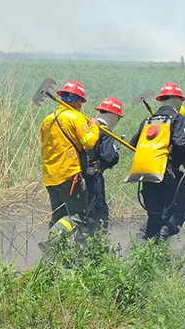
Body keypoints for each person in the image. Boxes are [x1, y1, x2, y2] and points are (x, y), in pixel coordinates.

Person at [128, 82, 185, 242]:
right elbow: (181, 144)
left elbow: (133, 144)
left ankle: (141, 248)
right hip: (168, 174)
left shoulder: (148, 120)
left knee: (155, 215)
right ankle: (161, 239)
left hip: (146, 176)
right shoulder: (178, 118)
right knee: (181, 210)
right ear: (178, 100)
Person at [39, 80, 100, 246]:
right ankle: (50, 242)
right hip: (69, 176)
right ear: (76, 101)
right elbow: (89, 143)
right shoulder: (76, 118)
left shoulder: (47, 120)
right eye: (80, 102)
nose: (81, 105)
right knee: (77, 215)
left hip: (50, 177)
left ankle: (54, 256)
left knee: (59, 216)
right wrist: (94, 127)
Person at [85, 96, 123, 235]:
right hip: (94, 177)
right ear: (114, 116)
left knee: (83, 211)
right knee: (98, 212)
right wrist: (116, 155)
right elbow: (109, 157)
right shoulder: (105, 131)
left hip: (80, 174)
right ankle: (95, 247)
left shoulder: (89, 127)